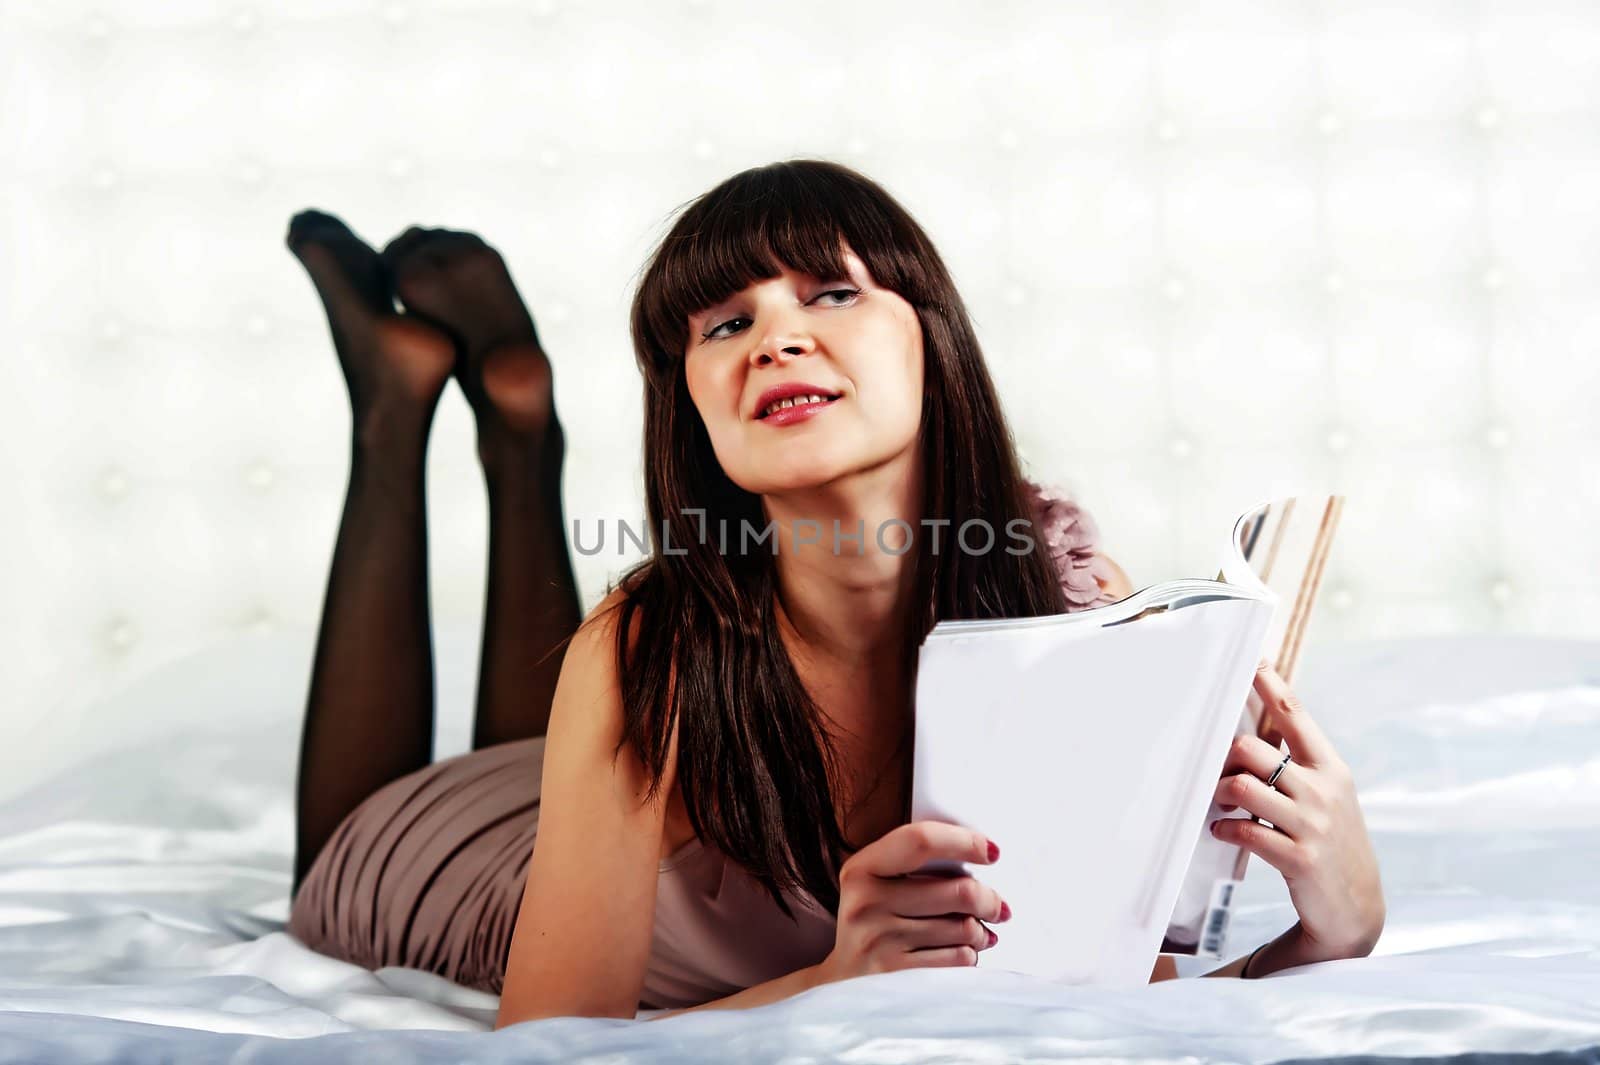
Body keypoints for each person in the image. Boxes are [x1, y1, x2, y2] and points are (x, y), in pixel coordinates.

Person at [283, 160, 1385, 1027]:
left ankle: (515, 421)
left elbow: (1114, 986)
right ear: (695, 408)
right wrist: (836, 977)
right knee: (338, 841)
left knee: (575, 721)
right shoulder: (641, 650)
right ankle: (406, 410)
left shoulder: (1074, 601)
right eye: (725, 323)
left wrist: (1334, 928)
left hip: (587, 803)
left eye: (829, 291)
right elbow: (556, 1036)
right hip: (477, 879)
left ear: (933, 342)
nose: (778, 336)